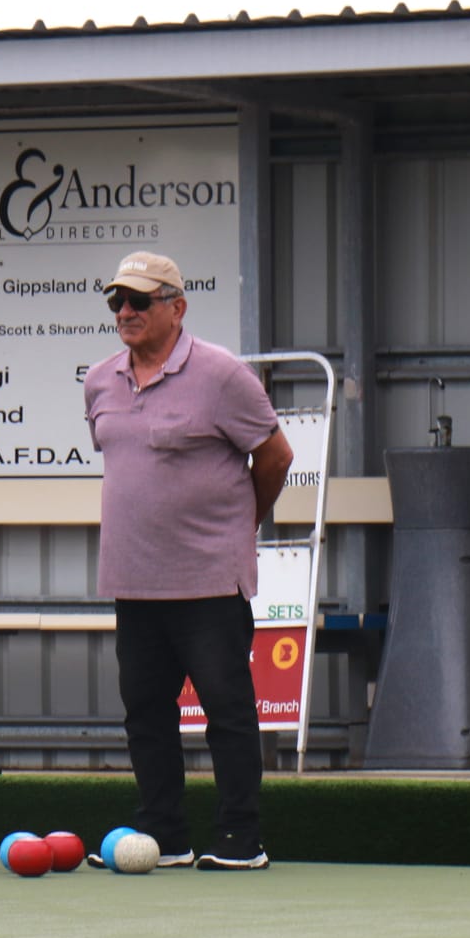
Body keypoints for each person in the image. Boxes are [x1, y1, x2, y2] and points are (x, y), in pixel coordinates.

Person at [82, 252, 294, 870]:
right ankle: (164, 837)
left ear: (176, 307)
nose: (126, 312)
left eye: (139, 301)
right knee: (146, 714)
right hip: (133, 579)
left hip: (208, 579)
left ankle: (239, 839)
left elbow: (275, 456)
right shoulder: (100, 380)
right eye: (117, 301)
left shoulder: (222, 375)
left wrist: (241, 524)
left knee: (226, 711)